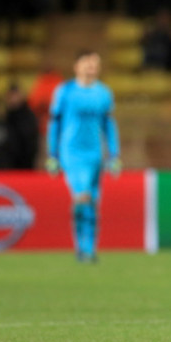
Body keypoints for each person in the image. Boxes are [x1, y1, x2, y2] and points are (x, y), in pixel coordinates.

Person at [46, 50, 121, 263]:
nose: (92, 67)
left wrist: (114, 155)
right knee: (83, 196)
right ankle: (84, 248)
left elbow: (108, 124)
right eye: (87, 63)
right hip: (71, 152)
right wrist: (52, 154)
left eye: (95, 63)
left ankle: (88, 248)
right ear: (77, 66)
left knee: (93, 201)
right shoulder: (65, 91)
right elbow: (55, 123)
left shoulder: (103, 93)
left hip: (95, 153)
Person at [5, 83, 39, 169]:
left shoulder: (28, 116)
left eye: (14, 95)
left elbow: (31, 143)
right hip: (10, 165)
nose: (12, 99)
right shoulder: (7, 116)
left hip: (25, 164)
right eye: (10, 96)